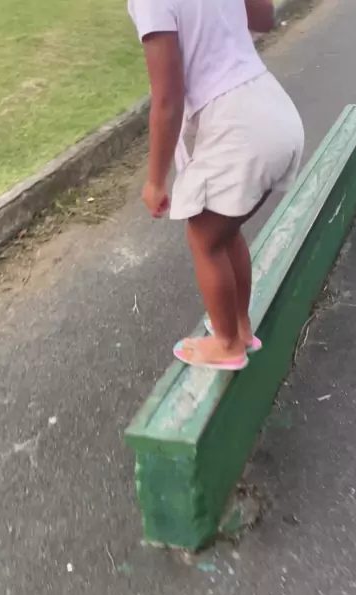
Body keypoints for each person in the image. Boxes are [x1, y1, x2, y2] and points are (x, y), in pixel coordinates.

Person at [128, 0, 304, 370]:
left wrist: (156, 180)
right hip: (273, 107)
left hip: (237, 125)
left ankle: (226, 344)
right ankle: (240, 328)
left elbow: (167, 99)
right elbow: (264, 18)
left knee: (204, 239)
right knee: (225, 231)